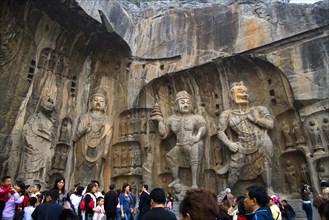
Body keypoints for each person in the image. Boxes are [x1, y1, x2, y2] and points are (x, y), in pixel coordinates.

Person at [217, 82, 274, 191]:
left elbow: (270, 124)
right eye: (240, 91)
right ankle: (228, 191)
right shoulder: (226, 114)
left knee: (265, 164)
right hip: (242, 144)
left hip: (261, 140)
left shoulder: (259, 109)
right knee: (234, 169)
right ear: (231, 95)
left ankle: (269, 188)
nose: (244, 94)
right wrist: (229, 143)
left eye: (245, 91)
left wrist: (257, 120)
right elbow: (220, 132)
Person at [152, 91, 207, 188]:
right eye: (182, 102)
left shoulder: (196, 118)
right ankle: (176, 178)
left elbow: (203, 127)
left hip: (191, 143)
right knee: (170, 156)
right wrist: (160, 121)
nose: (185, 104)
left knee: (194, 156)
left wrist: (197, 137)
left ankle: (194, 183)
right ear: (177, 105)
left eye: (188, 103)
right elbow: (164, 133)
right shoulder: (172, 119)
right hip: (179, 145)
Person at [74, 87, 113, 188]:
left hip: (99, 146)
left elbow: (108, 135)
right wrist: (84, 130)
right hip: (84, 145)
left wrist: (105, 150)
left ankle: (95, 187)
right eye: (95, 100)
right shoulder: (85, 117)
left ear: (105, 104)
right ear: (90, 102)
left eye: (101, 101)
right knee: (82, 167)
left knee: (97, 168)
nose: (98, 103)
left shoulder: (107, 120)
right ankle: (80, 186)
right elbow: (76, 135)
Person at [19, 96, 55, 185]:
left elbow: (50, 134)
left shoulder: (50, 121)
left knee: (47, 159)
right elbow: (26, 130)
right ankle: (29, 178)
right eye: (47, 102)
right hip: (34, 143)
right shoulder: (35, 118)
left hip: (45, 144)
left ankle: (42, 179)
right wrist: (31, 143)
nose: (50, 104)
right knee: (32, 160)